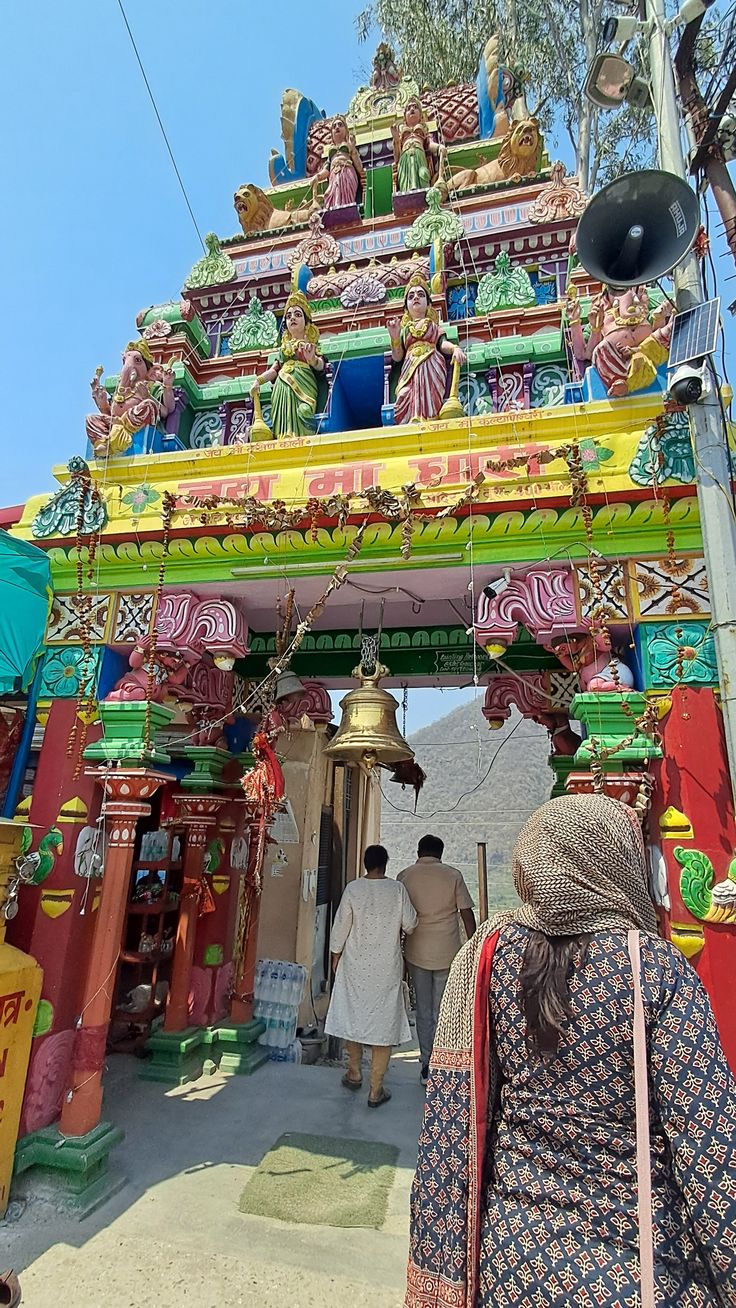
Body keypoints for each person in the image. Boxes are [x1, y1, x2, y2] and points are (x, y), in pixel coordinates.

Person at [406, 794, 736, 1308]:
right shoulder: (654, 969)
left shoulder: (490, 960)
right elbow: (711, 1154)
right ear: (619, 863)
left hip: (509, 1256)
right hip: (634, 1268)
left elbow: (458, 1120)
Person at [325, 844, 417, 1108]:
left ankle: (354, 1072)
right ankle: (376, 1089)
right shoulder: (397, 890)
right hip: (386, 968)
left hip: (355, 966)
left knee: (353, 1015)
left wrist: (335, 956)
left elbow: (340, 926)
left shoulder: (353, 889)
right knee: (383, 1024)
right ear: (385, 864)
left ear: (365, 864)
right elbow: (411, 925)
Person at [398, 834, 476, 1085]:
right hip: (447, 953)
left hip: (417, 952)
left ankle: (426, 1064)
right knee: (444, 1010)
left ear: (419, 852)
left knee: (423, 1011)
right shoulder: (453, 876)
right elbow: (466, 914)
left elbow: (400, 919)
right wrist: (473, 946)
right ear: (440, 853)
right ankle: (445, 1066)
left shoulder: (405, 876)